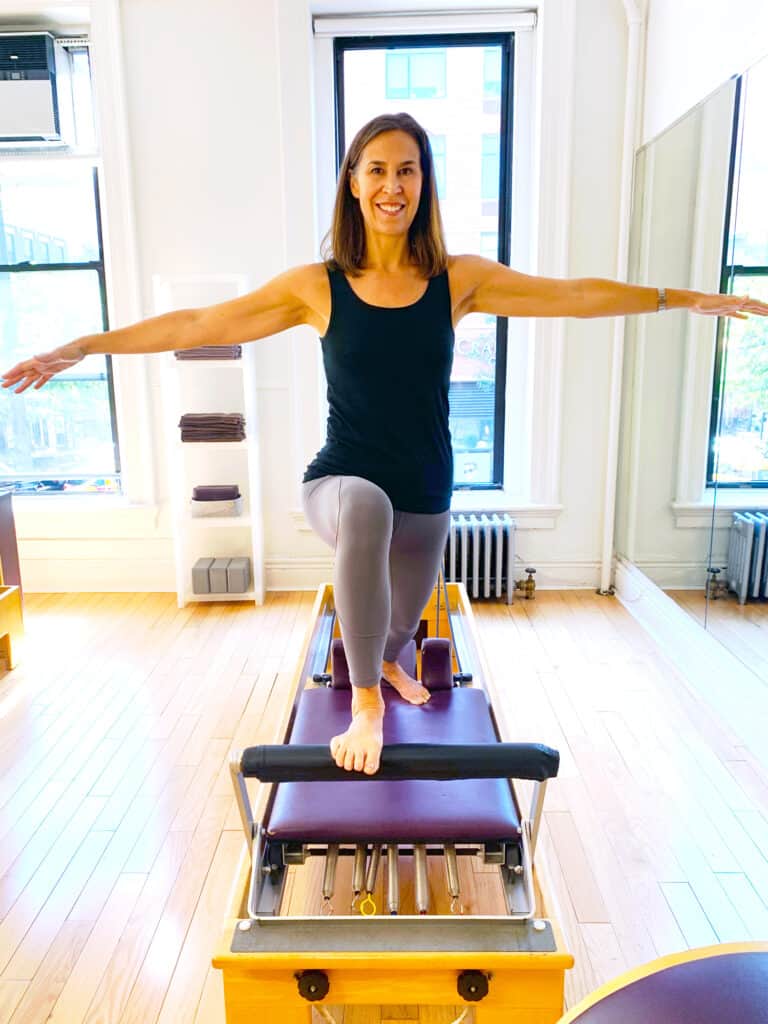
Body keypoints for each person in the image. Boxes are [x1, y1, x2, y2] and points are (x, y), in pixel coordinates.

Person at [3, 112, 767, 777]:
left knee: (399, 637)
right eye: (377, 170)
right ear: (354, 182)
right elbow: (198, 324)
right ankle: (364, 703)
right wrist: (83, 344)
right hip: (342, 482)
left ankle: (388, 664)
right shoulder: (318, 285)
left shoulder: (458, 280)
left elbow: (570, 296)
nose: (392, 185)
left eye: (407, 170)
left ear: (424, 184)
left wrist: (687, 297)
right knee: (365, 521)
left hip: (429, 495)